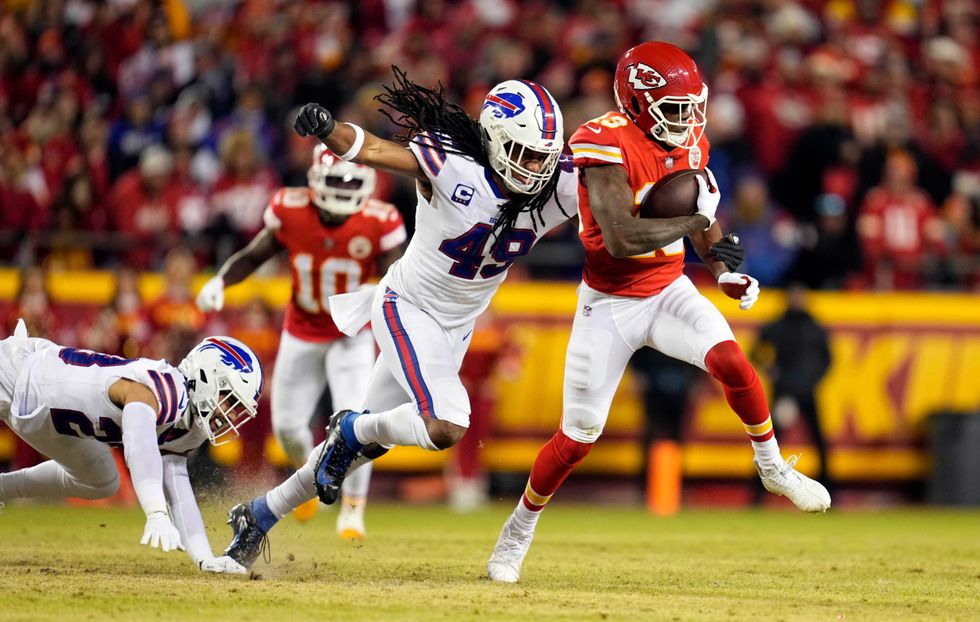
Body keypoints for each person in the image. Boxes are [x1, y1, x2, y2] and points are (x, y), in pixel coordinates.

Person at [486, 41, 832, 584]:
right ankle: (517, 531)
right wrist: (697, 224)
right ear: (636, 102)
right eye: (674, 107)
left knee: (732, 361)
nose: (688, 119)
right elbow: (622, 237)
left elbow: (702, 214)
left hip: (669, 288)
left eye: (692, 107)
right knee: (578, 436)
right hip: (609, 303)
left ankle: (771, 466)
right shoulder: (602, 140)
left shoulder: (690, 137)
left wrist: (722, 269)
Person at [220, 67, 576, 568]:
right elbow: (373, 149)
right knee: (446, 423)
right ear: (496, 139)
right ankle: (352, 430)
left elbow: (618, 182)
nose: (535, 167)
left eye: (544, 156)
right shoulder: (452, 166)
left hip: (455, 328)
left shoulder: (557, 185)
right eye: (525, 153)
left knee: (352, 454)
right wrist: (328, 129)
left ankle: (258, 515)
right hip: (408, 306)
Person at [196, 145, 406, 538]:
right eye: (337, 181)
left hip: (351, 335)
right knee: (288, 429)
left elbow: (397, 274)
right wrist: (221, 280)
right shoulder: (290, 210)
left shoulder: (380, 220)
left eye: (351, 182)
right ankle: (305, 476)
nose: (344, 190)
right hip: (302, 330)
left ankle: (353, 509)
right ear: (315, 180)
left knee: (358, 421)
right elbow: (255, 254)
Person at [0, 320, 263, 575]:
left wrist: (205, 558)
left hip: (48, 418)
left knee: (101, 480)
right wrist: (156, 512)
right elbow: (139, 442)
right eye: (229, 400)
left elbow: (177, 486)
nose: (230, 414)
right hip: (20, 372)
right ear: (205, 377)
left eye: (238, 409)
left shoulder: (189, 427)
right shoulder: (170, 388)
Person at [751, 284, 833, 496]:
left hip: (805, 391)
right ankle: (758, 492)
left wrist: (813, 379)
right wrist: (771, 371)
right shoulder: (778, 325)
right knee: (769, 444)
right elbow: (756, 351)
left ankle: (829, 488)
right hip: (785, 391)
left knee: (818, 440)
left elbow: (827, 359)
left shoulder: (813, 326)